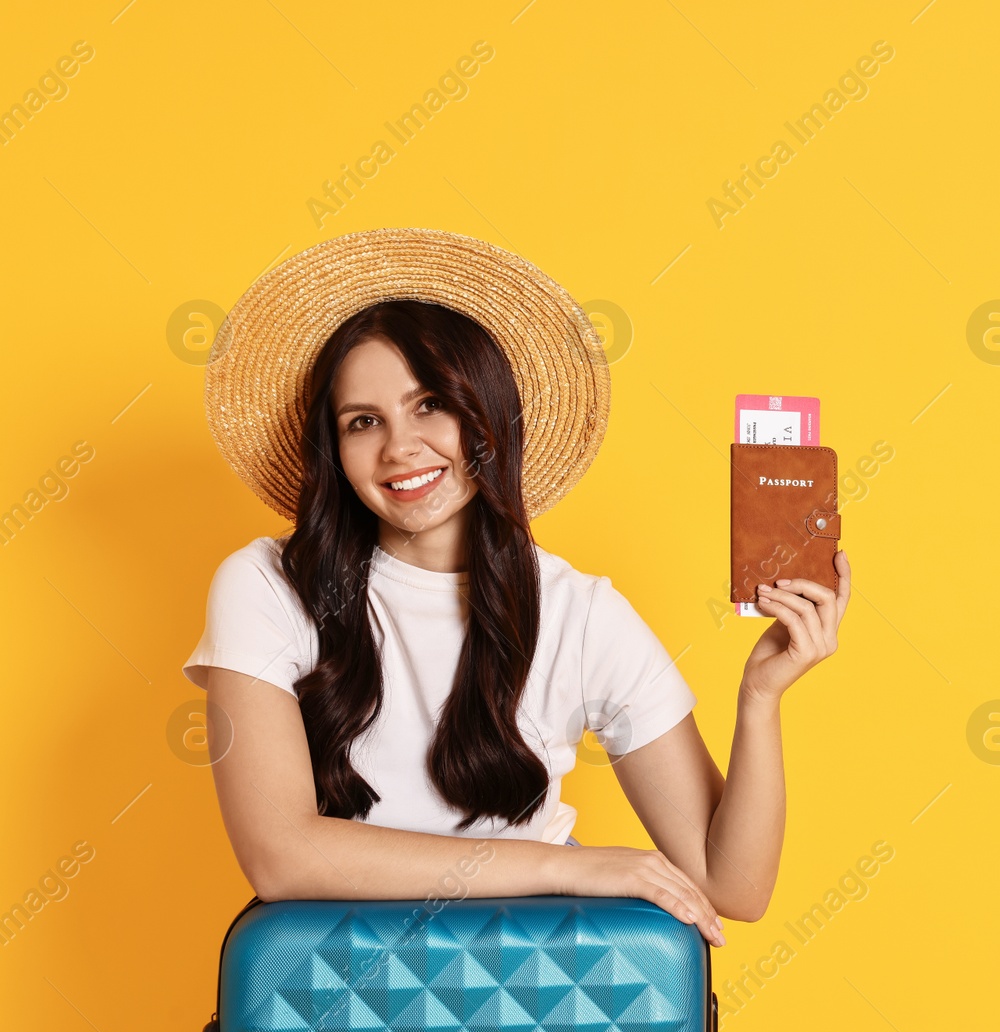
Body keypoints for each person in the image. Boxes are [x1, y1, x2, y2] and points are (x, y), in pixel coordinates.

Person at [181, 229, 849, 952]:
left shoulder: (579, 614)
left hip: (532, 1000)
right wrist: (565, 868)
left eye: (430, 404)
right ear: (334, 451)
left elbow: (732, 887)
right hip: (336, 1004)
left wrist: (760, 697)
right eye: (363, 421)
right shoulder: (265, 584)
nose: (400, 446)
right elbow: (281, 857)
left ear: (486, 416)